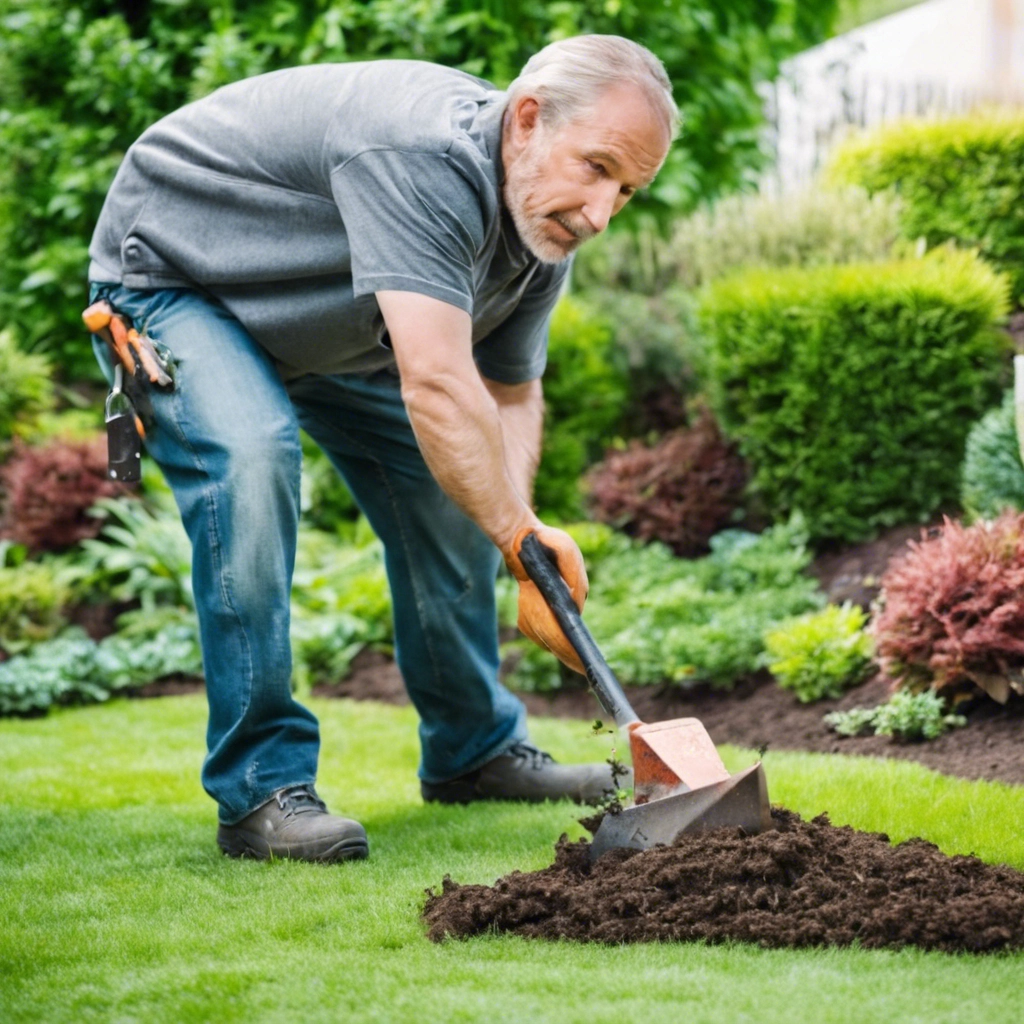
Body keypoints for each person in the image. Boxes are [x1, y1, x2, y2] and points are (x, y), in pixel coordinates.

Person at [86, 34, 677, 863]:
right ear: (530, 119)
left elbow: (507, 396)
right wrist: (513, 531)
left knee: (456, 491)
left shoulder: (542, 229)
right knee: (252, 459)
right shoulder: (423, 156)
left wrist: (520, 537)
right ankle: (261, 789)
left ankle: (476, 751)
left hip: (329, 326)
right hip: (180, 282)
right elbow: (436, 380)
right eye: (597, 167)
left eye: (628, 190)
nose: (602, 212)